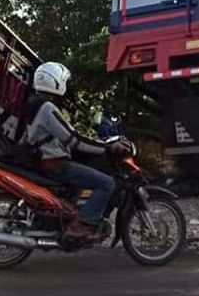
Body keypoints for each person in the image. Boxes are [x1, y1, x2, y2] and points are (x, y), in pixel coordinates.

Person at [21, 62, 127, 240]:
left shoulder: (34, 105)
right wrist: (106, 148)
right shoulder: (47, 108)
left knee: (83, 179)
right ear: (55, 82)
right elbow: (73, 139)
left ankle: (67, 217)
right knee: (107, 183)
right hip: (56, 163)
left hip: (46, 160)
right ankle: (84, 224)